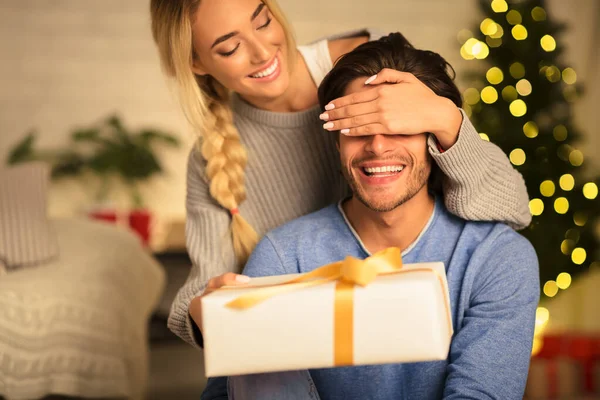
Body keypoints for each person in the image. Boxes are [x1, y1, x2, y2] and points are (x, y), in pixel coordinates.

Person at [149, 0, 531, 351]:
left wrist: (445, 117)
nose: (263, 52)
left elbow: (512, 206)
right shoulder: (213, 158)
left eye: (263, 22)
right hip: (306, 346)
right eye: (229, 48)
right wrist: (209, 312)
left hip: (417, 320)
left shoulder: (371, 68)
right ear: (197, 63)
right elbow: (204, 289)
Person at [220, 32, 539, 400]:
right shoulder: (282, 258)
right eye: (356, 127)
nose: (377, 145)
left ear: (433, 138)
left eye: (399, 126)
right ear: (335, 142)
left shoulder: (496, 259)